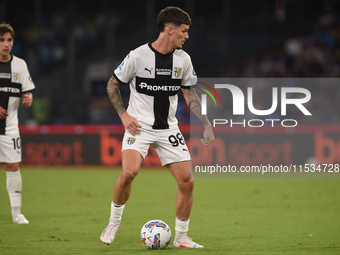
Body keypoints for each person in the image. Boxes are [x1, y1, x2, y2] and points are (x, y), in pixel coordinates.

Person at [100, 6, 214, 248]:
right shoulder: (137, 56)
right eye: (184, 31)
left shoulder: (183, 60)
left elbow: (189, 94)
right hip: (138, 127)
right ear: (169, 30)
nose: (187, 36)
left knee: (188, 182)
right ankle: (113, 223)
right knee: (129, 173)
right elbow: (112, 85)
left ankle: (181, 237)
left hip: (168, 129)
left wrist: (205, 123)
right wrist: (123, 115)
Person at [0, 23, 35, 224]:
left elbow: (26, 91)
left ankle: (16, 213)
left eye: (9, 40)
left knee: (12, 166)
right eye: (2, 40)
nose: (6, 44)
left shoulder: (20, 65)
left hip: (10, 127)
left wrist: (27, 98)